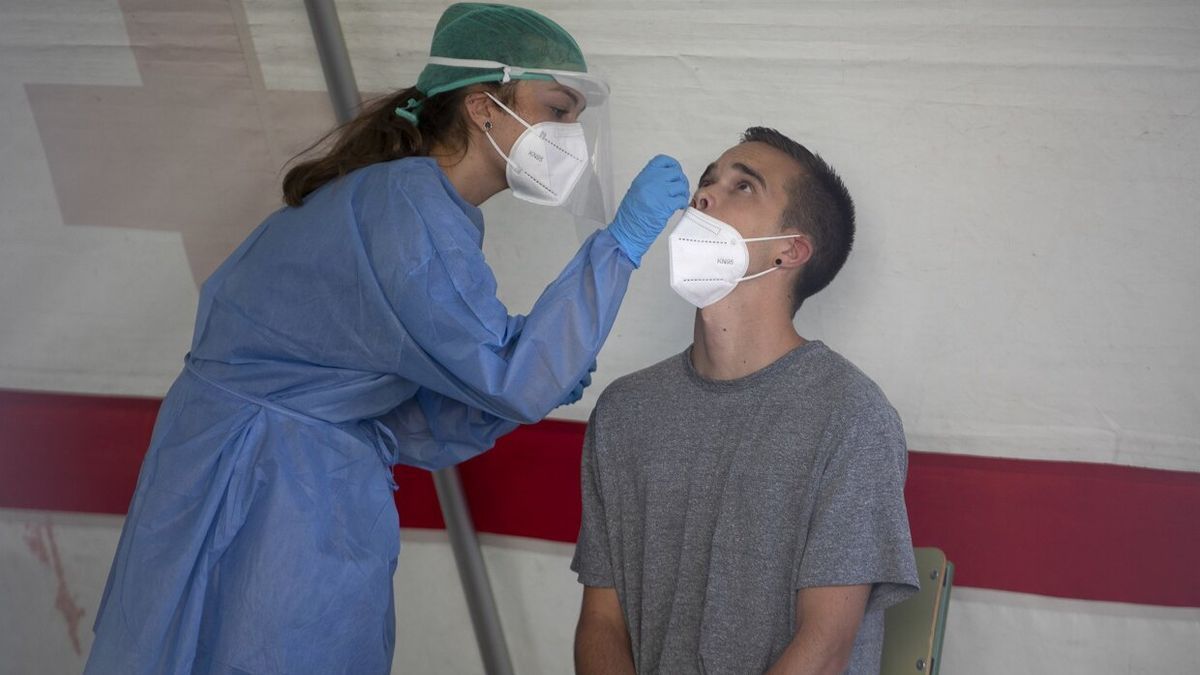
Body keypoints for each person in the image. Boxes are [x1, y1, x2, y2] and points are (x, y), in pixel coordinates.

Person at [84, 4, 689, 674]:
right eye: (556, 109)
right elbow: (511, 377)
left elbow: (403, 409)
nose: (570, 134)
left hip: (291, 472)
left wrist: (514, 374)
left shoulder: (416, 207)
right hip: (264, 487)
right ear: (485, 106)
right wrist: (621, 248)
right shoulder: (409, 208)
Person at [571, 127, 918, 674]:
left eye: (743, 187)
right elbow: (602, 622)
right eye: (707, 181)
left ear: (791, 250)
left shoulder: (850, 416)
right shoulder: (624, 411)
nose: (702, 196)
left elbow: (824, 648)